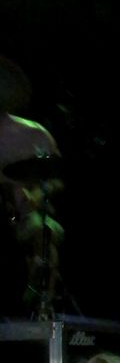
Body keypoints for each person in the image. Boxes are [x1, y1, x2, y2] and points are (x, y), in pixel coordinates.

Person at [0, 56, 64, 313]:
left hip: (26, 215)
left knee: (43, 230)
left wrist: (35, 197)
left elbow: (56, 178)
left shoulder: (33, 134)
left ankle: (40, 301)